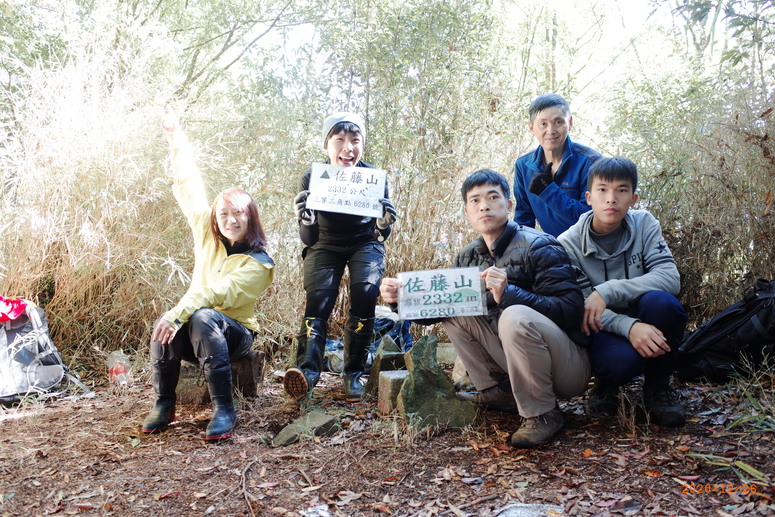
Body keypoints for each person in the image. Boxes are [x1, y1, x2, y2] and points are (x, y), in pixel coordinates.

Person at [380, 169, 590, 448]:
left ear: (509, 204)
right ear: (467, 211)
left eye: (493, 197)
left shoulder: (539, 245)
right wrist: (399, 299)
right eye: (475, 201)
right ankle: (497, 392)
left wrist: (510, 293)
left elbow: (571, 311)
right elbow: (440, 310)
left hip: (566, 367)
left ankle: (542, 413)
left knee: (514, 315)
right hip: (515, 362)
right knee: (455, 311)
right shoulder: (468, 256)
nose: (484, 206)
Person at [141, 115, 275, 441]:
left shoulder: (260, 264)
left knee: (201, 317)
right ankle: (164, 403)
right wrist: (176, 139)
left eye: (238, 214)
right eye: (224, 214)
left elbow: (217, 293)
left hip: (235, 335)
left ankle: (224, 408)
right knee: (169, 324)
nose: (230, 220)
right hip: (199, 332)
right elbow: (188, 184)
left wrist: (179, 313)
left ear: (250, 217)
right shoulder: (207, 233)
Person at [557, 157, 688, 427]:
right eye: (602, 190)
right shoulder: (567, 244)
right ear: (588, 197)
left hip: (645, 311)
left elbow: (670, 278)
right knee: (619, 364)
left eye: (621, 190)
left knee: (664, 304)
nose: (611, 199)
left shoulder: (645, 224)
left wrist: (608, 290)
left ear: (634, 198)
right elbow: (581, 307)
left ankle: (658, 386)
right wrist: (629, 327)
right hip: (602, 326)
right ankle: (607, 385)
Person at [283, 112, 397, 402]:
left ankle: (353, 373)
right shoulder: (312, 177)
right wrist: (306, 220)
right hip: (324, 244)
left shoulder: (373, 179)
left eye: (355, 140)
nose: (348, 148)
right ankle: (307, 373)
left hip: (364, 243)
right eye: (340, 140)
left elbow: (380, 236)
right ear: (327, 146)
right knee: (318, 301)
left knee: (365, 292)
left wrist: (384, 224)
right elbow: (308, 238)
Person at [513, 93, 602, 237]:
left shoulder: (590, 162)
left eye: (558, 122)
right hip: (552, 250)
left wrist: (549, 192)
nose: (551, 131)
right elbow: (524, 218)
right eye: (543, 124)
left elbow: (592, 218)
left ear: (570, 123)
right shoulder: (524, 166)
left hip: (590, 247)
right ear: (531, 128)